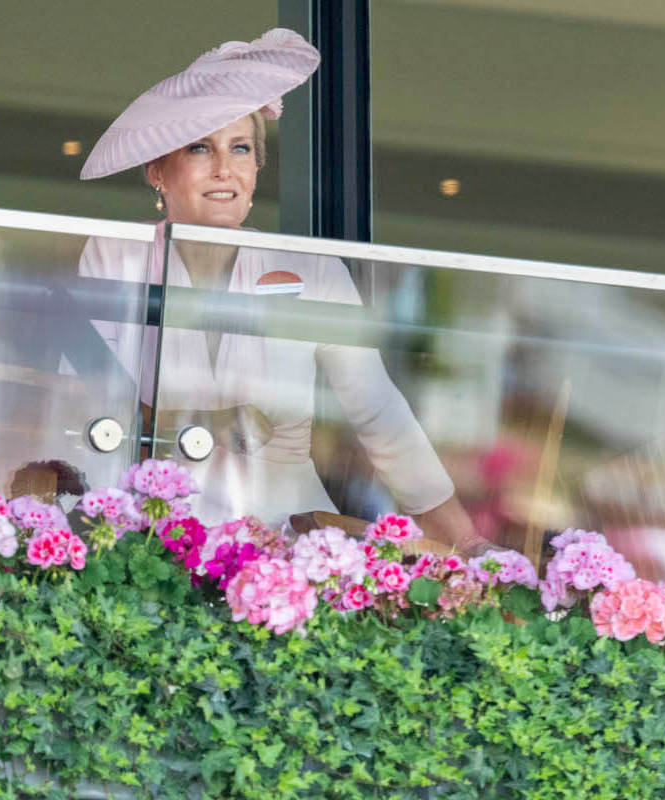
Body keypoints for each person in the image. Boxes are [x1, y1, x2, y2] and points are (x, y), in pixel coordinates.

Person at [76, 29, 482, 551]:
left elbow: (378, 411)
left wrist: (468, 542)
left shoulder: (309, 266)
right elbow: (91, 397)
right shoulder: (117, 254)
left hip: (287, 534)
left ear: (257, 167)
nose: (224, 168)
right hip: (152, 521)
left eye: (240, 148)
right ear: (158, 170)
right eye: (200, 147)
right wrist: (204, 424)